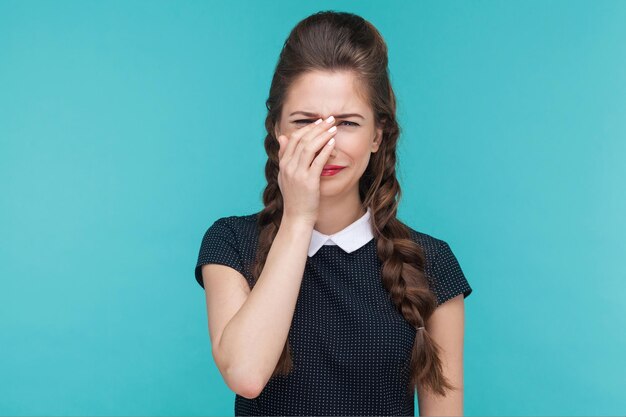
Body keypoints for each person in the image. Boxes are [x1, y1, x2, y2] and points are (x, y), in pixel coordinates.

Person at [194, 10, 473, 416]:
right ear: (277, 130)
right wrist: (298, 218)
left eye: (347, 123)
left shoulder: (431, 264)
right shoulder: (231, 243)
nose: (326, 145)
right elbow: (246, 374)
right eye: (306, 121)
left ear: (377, 135)